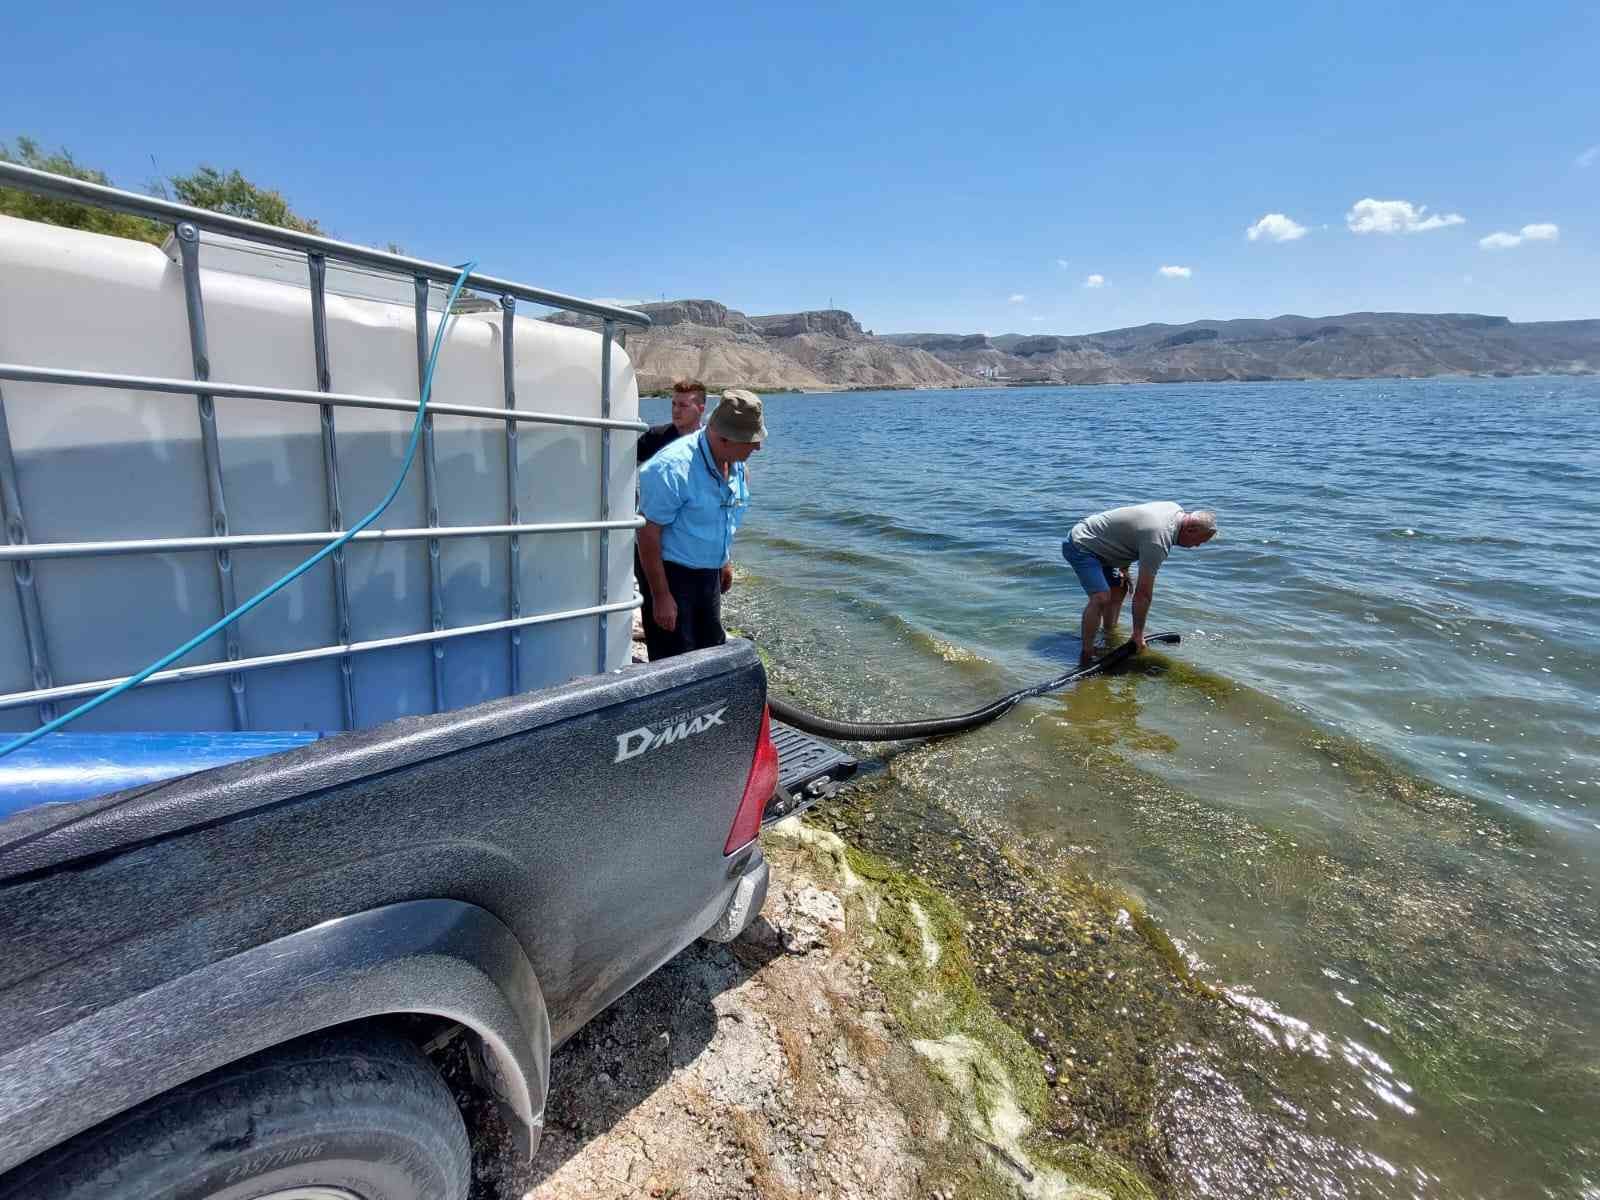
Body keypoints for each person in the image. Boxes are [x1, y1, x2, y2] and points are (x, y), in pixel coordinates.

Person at [636, 389, 765, 660]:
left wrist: (724, 561)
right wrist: (661, 596)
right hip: (671, 575)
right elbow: (648, 535)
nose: (758, 447)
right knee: (674, 662)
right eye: (751, 441)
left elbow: (724, 515)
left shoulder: (737, 462)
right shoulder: (671, 468)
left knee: (709, 651)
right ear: (724, 438)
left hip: (708, 574)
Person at [1062, 502, 1217, 666]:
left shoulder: (1175, 509)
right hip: (1082, 544)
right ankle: (1087, 654)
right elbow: (1143, 594)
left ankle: (1107, 637)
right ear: (1191, 529)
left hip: (1104, 545)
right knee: (1101, 597)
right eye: (1200, 541)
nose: (1197, 546)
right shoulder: (1159, 539)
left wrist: (1124, 568)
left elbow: (1133, 532)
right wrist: (1138, 634)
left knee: (1120, 588)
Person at [635, 380, 708, 647]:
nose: (676, 411)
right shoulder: (655, 438)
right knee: (658, 614)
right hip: (653, 541)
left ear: (701, 408)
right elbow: (618, 467)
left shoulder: (708, 445)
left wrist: (724, 559)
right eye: (673, 404)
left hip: (693, 549)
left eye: (683, 405)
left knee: (697, 623)